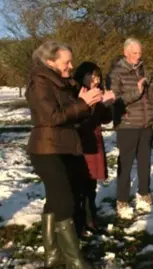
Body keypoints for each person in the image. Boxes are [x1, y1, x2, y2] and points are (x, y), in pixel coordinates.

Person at [26, 41, 104, 268]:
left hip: (66, 146)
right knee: (65, 200)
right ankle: (74, 259)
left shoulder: (63, 83)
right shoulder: (39, 82)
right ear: (50, 61)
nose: (71, 66)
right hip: (46, 149)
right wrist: (81, 103)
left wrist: (88, 104)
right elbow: (51, 117)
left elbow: (72, 117)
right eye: (66, 61)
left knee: (56, 199)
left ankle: (54, 255)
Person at [107, 38, 153, 219]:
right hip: (127, 124)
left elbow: (148, 96)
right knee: (125, 165)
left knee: (144, 162)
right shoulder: (115, 73)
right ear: (126, 52)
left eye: (140, 53)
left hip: (145, 124)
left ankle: (144, 194)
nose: (138, 56)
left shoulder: (145, 70)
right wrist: (137, 91)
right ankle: (122, 200)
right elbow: (115, 100)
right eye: (135, 53)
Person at [73, 62, 114, 236]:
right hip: (80, 142)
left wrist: (107, 104)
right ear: (83, 76)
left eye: (98, 77)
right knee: (80, 185)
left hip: (95, 140)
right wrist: (86, 104)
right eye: (93, 76)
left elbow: (105, 119)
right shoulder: (75, 94)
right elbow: (76, 120)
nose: (96, 80)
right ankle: (79, 223)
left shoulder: (98, 93)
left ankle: (91, 220)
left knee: (91, 184)